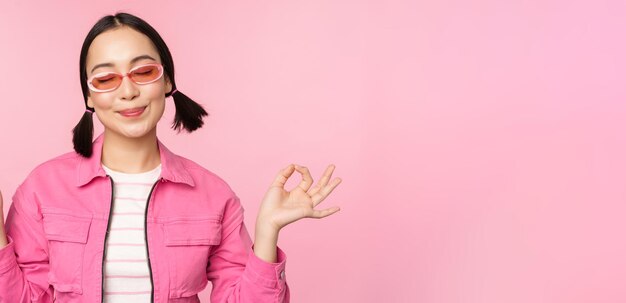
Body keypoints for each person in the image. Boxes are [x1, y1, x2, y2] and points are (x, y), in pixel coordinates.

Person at [0, 12, 341, 303]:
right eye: (106, 79)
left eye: (143, 72)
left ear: (167, 81)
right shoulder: (41, 188)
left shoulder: (212, 194)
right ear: (89, 96)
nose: (128, 91)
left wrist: (267, 232)